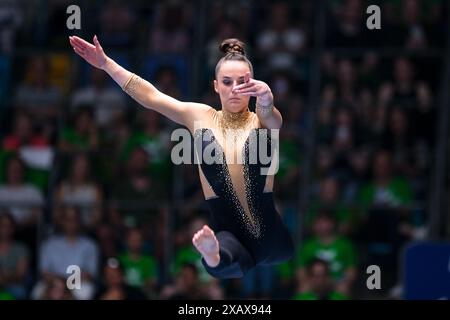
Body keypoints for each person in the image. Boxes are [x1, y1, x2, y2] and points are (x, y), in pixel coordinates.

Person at [69, 35, 294, 279]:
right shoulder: (201, 117)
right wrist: (106, 64)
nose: (235, 89)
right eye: (227, 82)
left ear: (253, 84)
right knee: (218, 260)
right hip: (229, 234)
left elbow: (272, 118)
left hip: (272, 237)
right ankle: (212, 255)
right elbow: (151, 97)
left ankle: (217, 256)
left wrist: (266, 97)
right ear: (216, 86)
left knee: (278, 250)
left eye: (243, 82)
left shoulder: (261, 120)